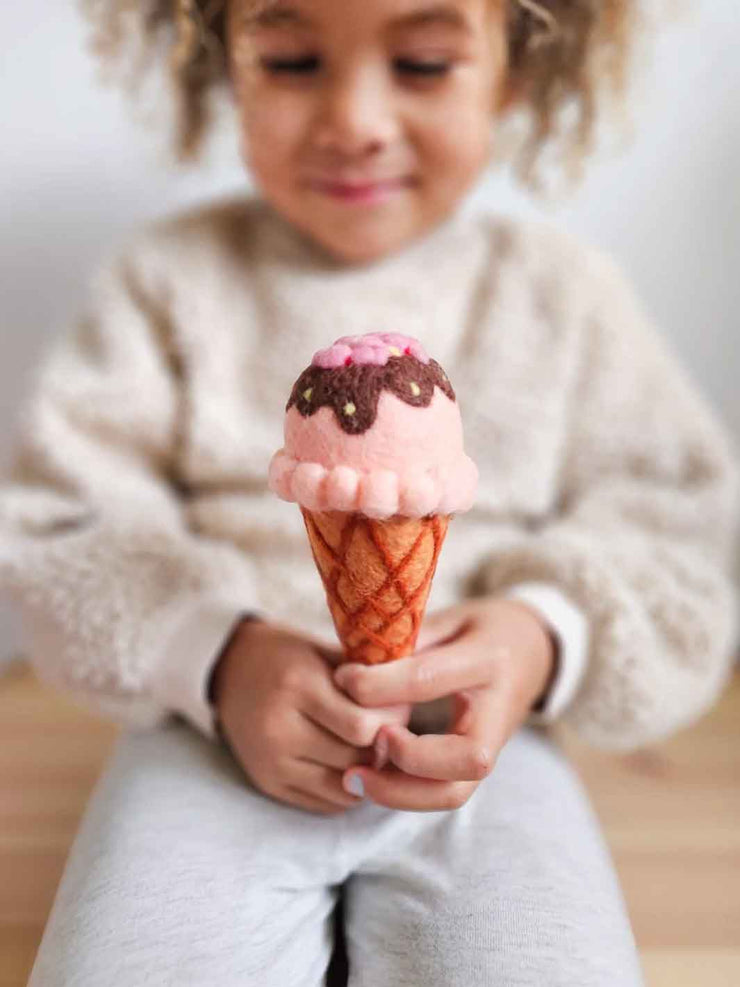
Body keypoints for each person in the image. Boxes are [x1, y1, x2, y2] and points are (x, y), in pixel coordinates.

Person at [2, 1, 738, 984]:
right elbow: (63, 523)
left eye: (424, 64)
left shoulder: (562, 296)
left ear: (514, 72)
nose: (353, 120)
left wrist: (541, 635)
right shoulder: (164, 281)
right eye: (292, 59)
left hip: (483, 757)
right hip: (207, 735)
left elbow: (675, 529)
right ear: (220, 61)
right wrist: (216, 656)